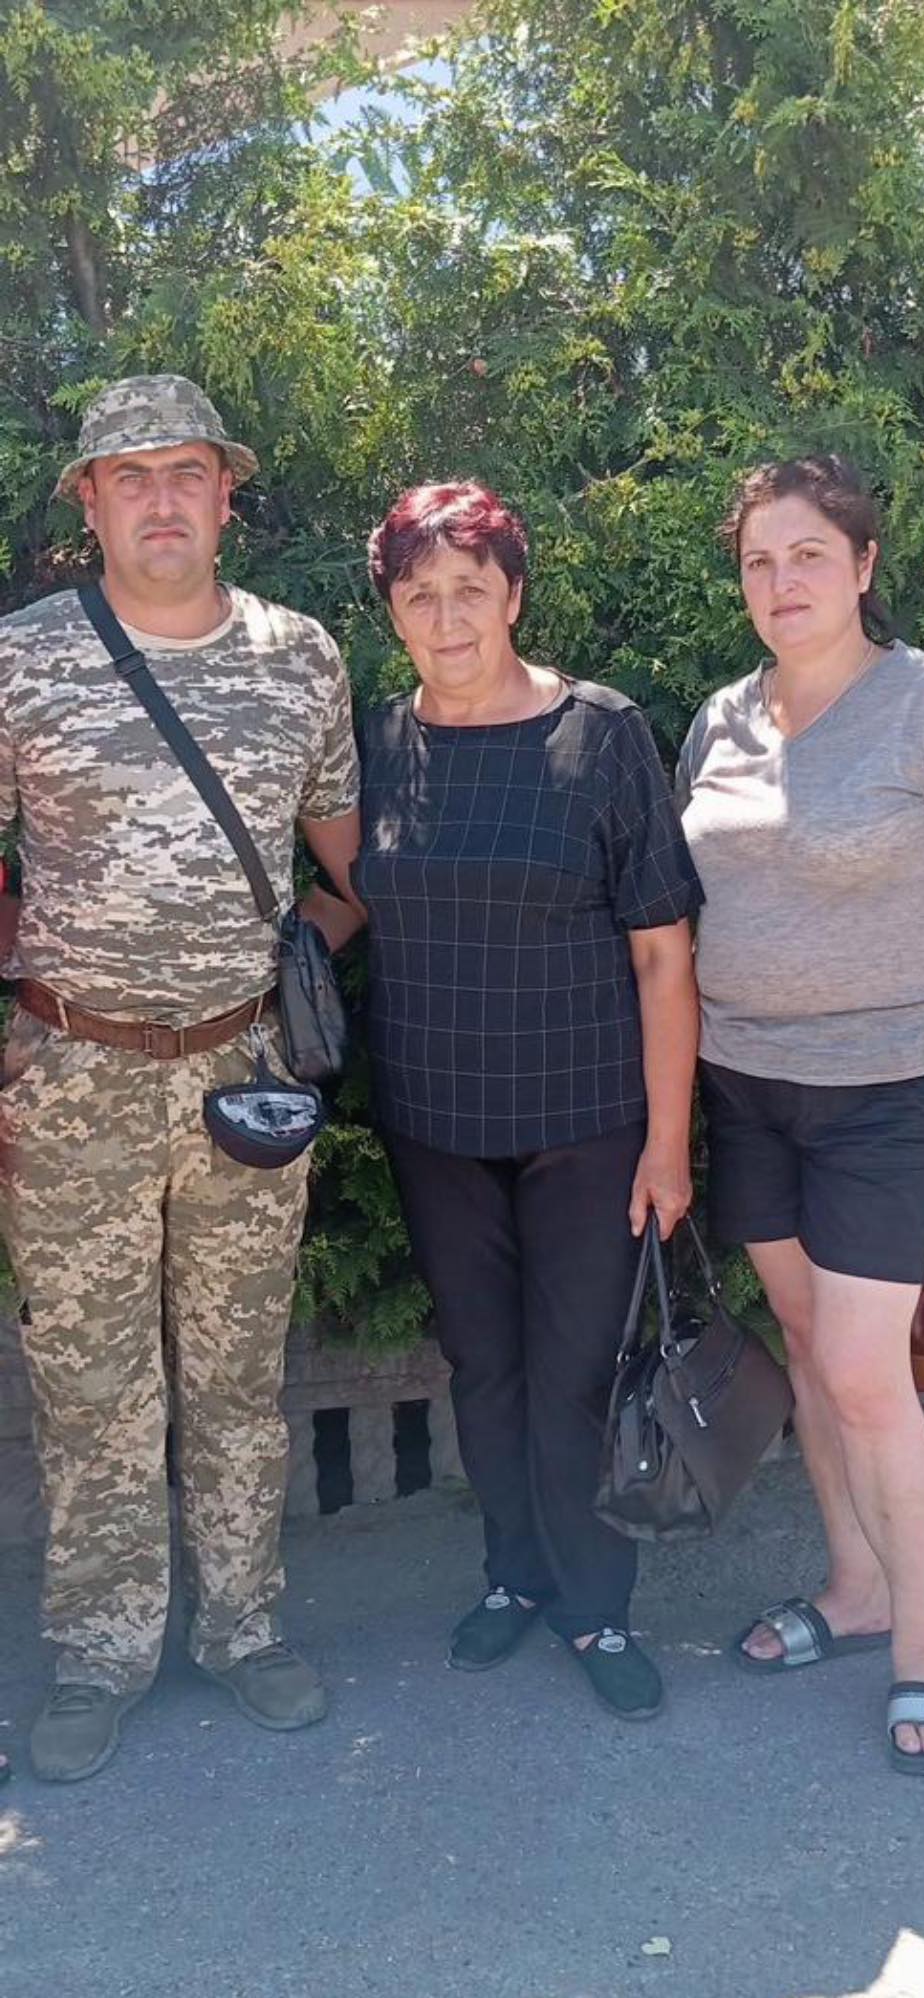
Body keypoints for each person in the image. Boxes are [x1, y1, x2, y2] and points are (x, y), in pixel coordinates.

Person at [0, 375, 364, 1782]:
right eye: (132, 475)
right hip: (71, 1078)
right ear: (89, 502)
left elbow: (347, 870)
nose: (163, 499)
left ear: (225, 496)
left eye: (187, 473)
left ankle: (244, 1627)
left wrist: (289, 977)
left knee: (236, 1375)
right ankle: (99, 1655)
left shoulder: (299, 657)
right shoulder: (22, 659)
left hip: (242, 1074)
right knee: (89, 1384)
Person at [676, 453, 924, 1774]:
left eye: (808, 555)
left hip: (889, 1095)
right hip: (748, 1088)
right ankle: (855, 1586)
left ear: (864, 564)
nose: (782, 582)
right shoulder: (717, 720)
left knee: (860, 1371)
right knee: (804, 1340)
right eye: (759, 561)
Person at [355, 481, 702, 1719]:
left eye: (471, 589)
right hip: (436, 1122)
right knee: (484, 1370)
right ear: (393, 611)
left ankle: (596, 1607)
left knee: (574, 1376)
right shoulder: (379, 743)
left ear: (513, 595)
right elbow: (349, 896)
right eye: (419, 594)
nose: (446, 617)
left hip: (586, 1125)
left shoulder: (599, 734)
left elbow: (663, 954)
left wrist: (669, 1142)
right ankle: (514, 1577)